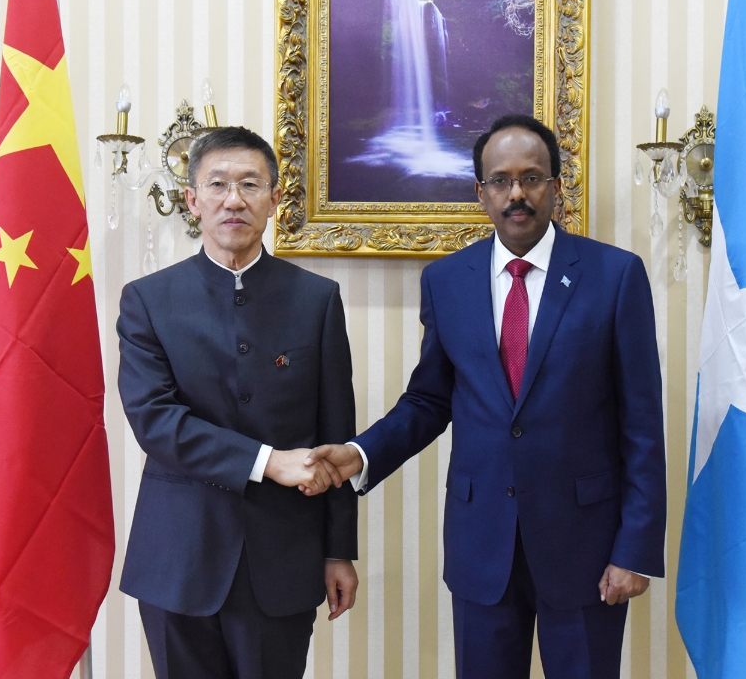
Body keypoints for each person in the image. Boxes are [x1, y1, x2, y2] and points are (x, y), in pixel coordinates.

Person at [307, 115, 666, 679]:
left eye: (532, 178)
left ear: (556, 185)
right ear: (480, 192)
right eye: (500, 180)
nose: (516, 193)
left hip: (586, 546)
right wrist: (360, 453)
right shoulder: (446, 280)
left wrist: (635, 549)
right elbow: (429, 400)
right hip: (482, 545)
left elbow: (641, 423)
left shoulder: (615, 275)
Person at [117, 126, 359, 679]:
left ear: (274, 200)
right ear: (192, 199)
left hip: (283, 556)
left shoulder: (317, 299)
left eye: (250, 184)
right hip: (178, 557)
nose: (234, 199)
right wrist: (268, 461)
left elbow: (336, 434)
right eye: (218, 184)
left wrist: (338, 550)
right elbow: (156, 421)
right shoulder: (148, 301)